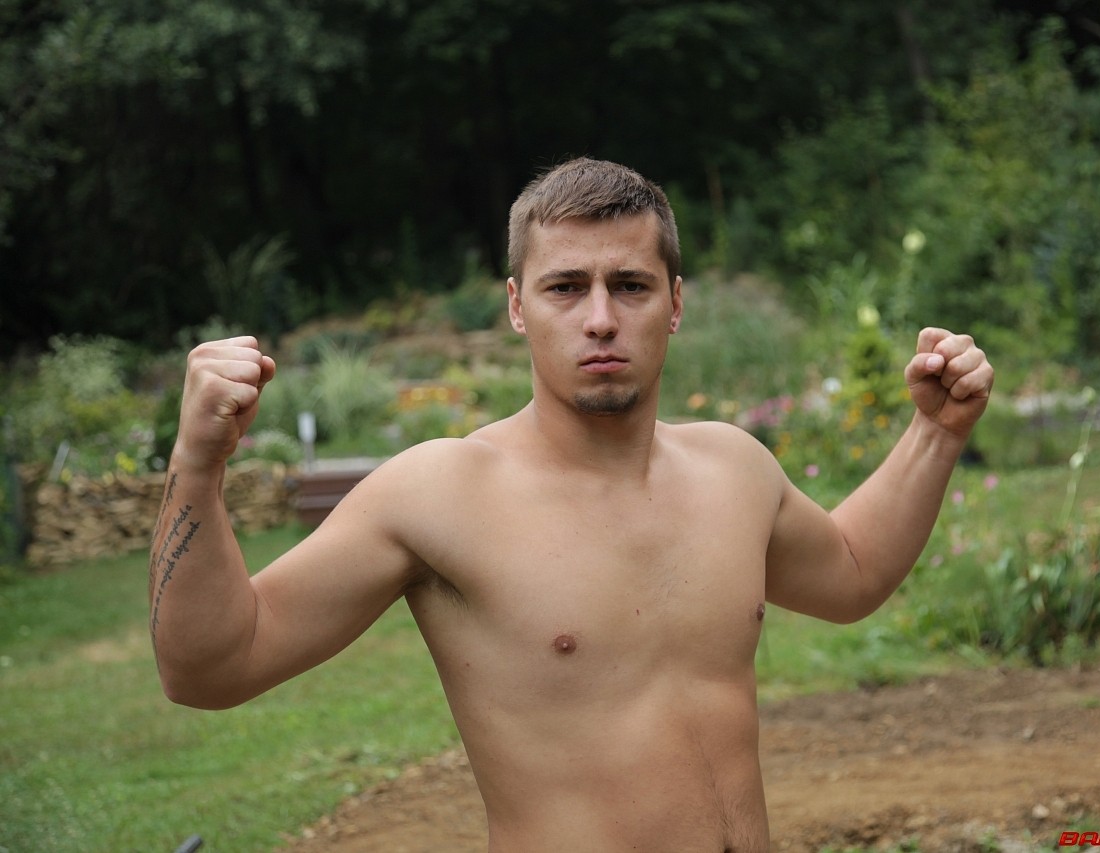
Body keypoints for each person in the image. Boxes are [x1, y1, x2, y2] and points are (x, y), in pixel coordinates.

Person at [150, 157, 993, 853]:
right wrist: (195, 465)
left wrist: (937, 432)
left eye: (630, 285)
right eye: (564, 287)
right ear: (517, 305)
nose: (600, 318)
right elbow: (211, 667)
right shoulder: (441, 492)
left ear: (675, 303)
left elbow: (853, 572)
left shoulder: (732, 468)